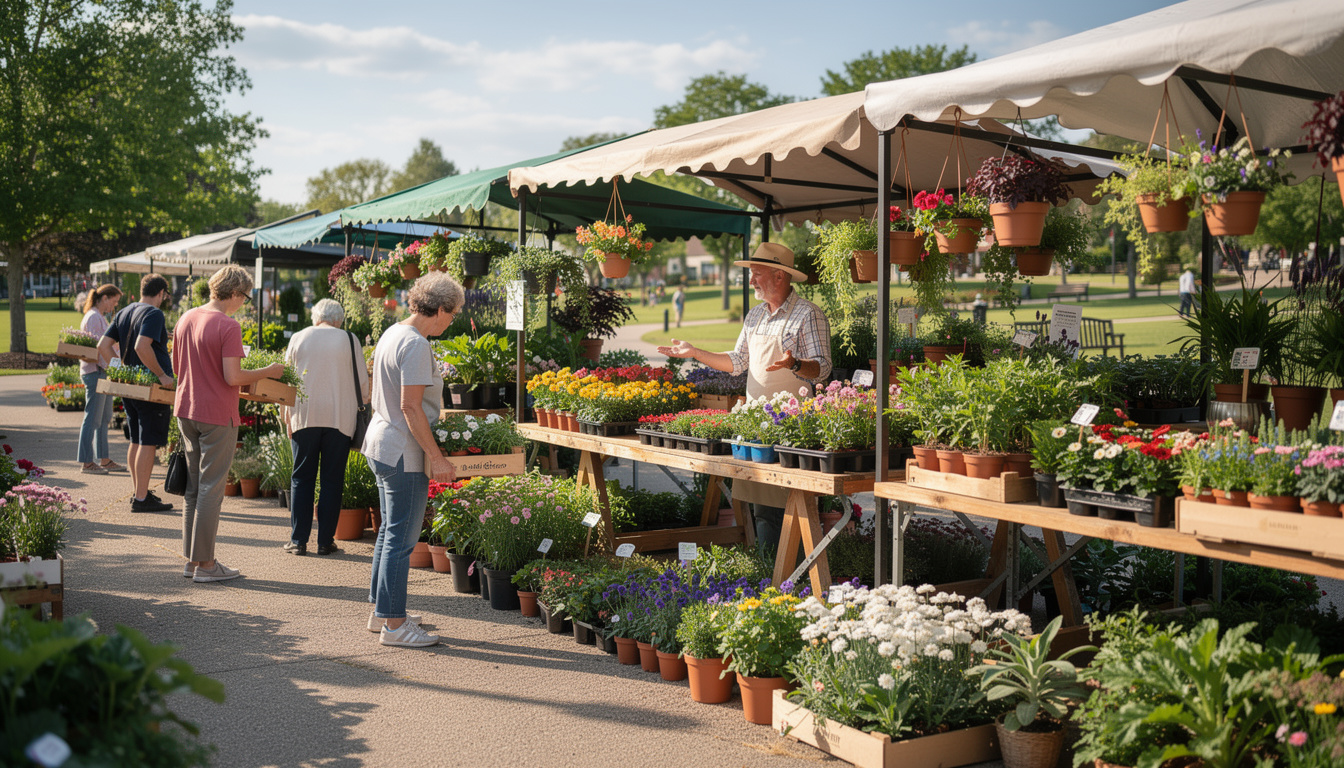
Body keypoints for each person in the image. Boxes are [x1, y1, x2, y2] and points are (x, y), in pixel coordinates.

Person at [657, 243, 831, 554]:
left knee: (794, 510)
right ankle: (769, 571)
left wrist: (794, 364)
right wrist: (695, 352)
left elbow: (822, 368)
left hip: (793, 432)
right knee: (763, 510)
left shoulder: (808, 314)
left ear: (779, 276)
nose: (751, 281)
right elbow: (738, 362)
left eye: (757, 274)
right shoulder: (755, 316)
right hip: (757, 430)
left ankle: (795, 575)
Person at [365, 272, 463, 647]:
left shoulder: (393, 332)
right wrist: (436, 458)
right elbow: (411, 406)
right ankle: (395, 626)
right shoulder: (417, 344)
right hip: (403, 452)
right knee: (401, 540)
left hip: (381, 443)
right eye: (452, 313)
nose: (452, 320)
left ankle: (383, 612)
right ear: (439, 309)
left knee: (389, 533)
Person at [172, 265, 285, 582]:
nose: (244, 303)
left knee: (194, 488)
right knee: (210, 489)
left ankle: (192, 561)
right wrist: (268, 371)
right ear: (234, 293)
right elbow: (233, 377)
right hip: (216, 414)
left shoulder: (186, 318)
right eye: (245, 297)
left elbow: (177, 368)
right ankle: (207, 565)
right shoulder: (227, 325)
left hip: (186, 410)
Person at [281, 299, 370, 556]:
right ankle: (325, 541)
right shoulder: (349, 339)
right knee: (332, 481)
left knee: (301, 478)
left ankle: (298, 540)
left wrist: (286, 416)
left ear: (316, 316)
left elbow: (286, 380)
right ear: (338, 319)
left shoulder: (298, 337)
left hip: (304, 416)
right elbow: (363, 385)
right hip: (340, 419)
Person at [98, 273, 176, 513]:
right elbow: (141, 346)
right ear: (161, 293)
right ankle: (142, 498)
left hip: (131, 387)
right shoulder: (154, 313)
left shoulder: (124, 311)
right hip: (151, 389)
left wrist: (122, 371)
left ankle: (139, 492)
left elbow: (103, 346)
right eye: (165, 295)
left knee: (136, 440)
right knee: (148, 441)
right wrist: (162, 375)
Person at [77, 284, 124, 474]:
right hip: (96, 372)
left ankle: (104, 459)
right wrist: (116, 367)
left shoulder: (97, 316)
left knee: (104, 418)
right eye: (114, 301)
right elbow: (100, 349)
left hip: (101, 372)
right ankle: (87, 462)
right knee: (93, 419)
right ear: (104, 298)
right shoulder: (94, 317)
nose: (115, 305)